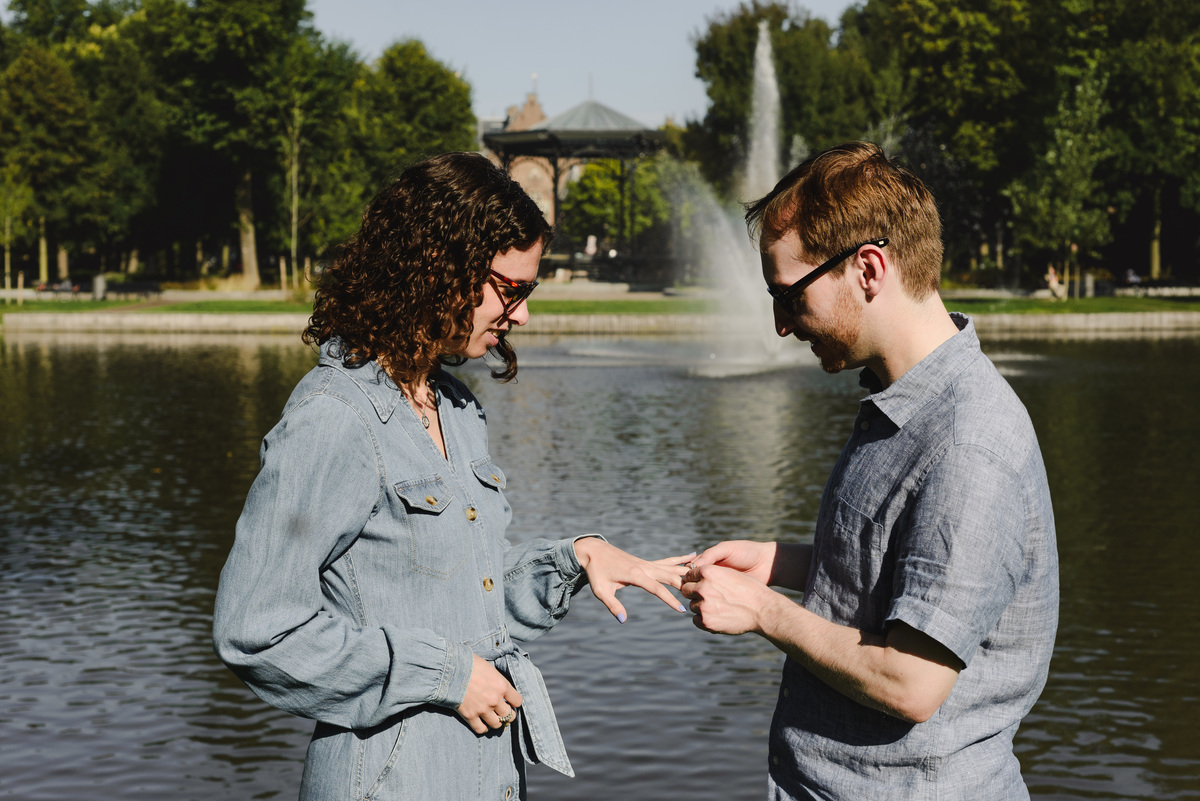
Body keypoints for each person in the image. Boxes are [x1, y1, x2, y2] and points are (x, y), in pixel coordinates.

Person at [212, 152, 691, 800]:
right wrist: (441, 675)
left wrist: (577, 558)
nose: (521, 314)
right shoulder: (335, 418)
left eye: (529, 291)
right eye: (511, 288)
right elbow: (257, 628)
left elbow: (474, 605)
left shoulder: (456, 409)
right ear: (441, 269)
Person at [681, 142, 1058, 800]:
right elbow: (903, 565)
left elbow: (911, 681)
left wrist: (765, 610)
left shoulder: (969, 441)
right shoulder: (903, 401)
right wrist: (779, 561)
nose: (778, 325)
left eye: (790, 297)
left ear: (869, 268)